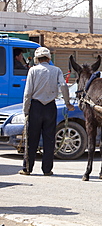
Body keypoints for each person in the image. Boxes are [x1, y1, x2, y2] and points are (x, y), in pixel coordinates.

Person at [19, 47, 75, 176]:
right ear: (49, 58)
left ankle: (27, 168)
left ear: (37, 59)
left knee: (32, 139)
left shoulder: (33, 70)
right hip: (50, 107)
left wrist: (26, 111)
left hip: (35, 107)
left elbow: (27, 93)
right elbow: (63, 86)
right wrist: (67, 103)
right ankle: (47, 169)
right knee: (49, 139)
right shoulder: (56, 70)